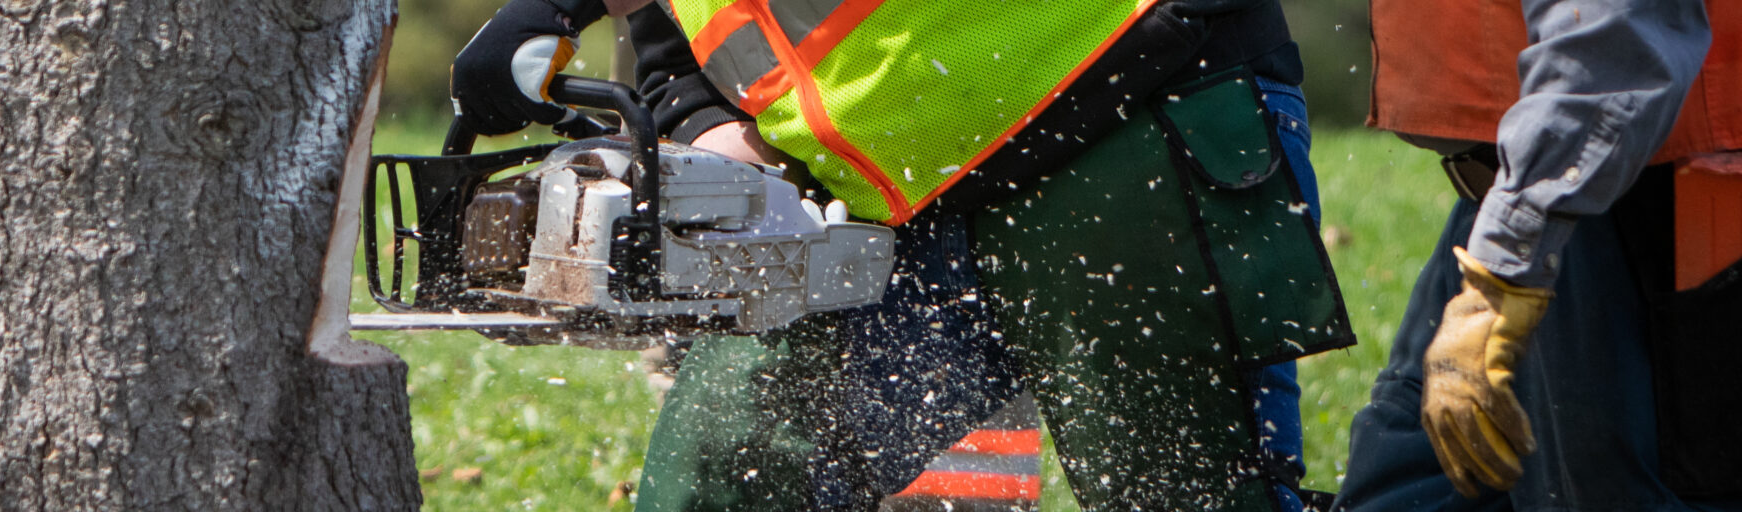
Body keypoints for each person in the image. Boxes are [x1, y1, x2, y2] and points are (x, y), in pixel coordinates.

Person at [447, 0, 1352, 510]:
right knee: (727, 477)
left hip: (1131, 98)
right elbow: (680, 45)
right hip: (881, 185)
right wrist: (707, 127)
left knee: (1191, 495)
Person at [1336, 1, 1742, 509]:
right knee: (1404, 490)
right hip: (1519, 193)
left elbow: (1610, 50)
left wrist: (1504, 270)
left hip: (1618, 196)